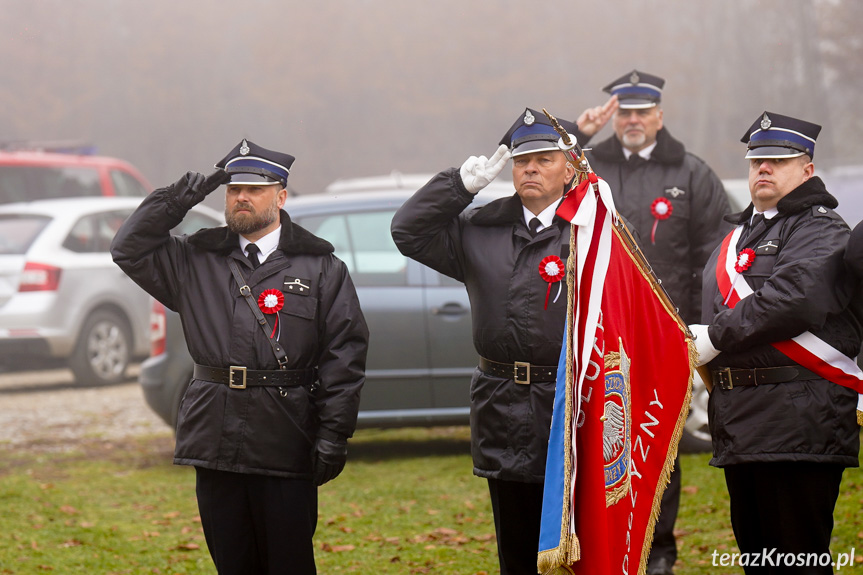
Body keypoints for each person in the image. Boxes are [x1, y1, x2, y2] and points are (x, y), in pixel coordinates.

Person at [111, 139, 369, 575]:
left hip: (285, 436)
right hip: (215, 435)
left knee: (289, 563)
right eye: (233, 189)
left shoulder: (320, 268)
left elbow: (345, 356)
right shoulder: (195, 258)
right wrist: (175, 201)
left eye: (255, 188)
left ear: (281, 197)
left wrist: (334, 434)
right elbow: (128, 247)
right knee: (232, 563)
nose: (241, 197)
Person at [391, 108, 577, 575]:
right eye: (521, 160)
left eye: (543, 158)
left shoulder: (594, 232)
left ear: (570, 167)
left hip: (572, 404)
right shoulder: (480, 230)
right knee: (515, 545)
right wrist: (459, 186)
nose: (530, 168)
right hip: (504, 403)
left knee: (576, 547)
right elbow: (407, 230)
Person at [573, 70, 731, 575]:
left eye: (643, 111)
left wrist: (702, 331)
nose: (634, 120)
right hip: (600, 339)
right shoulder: (589, 167)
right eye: (625, 112)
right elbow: (545, 180)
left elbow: (715, 258)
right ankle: (602, 545)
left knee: (657, 444)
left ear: (660, 116)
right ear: (613, 118)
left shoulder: (691, 173)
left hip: (664, 338)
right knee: (599, 443)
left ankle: (657, 551)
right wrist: (578, 137)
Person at [691, 112, 861, 574]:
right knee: (760, 561)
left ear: (808, 169)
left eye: (778, 160)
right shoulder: (738, 234)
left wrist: (716, 336)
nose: (762, 169)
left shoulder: (821, 228)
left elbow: (792, 299)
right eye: (756, 161)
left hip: (797, 418)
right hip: (743, 422)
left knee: (796, 562)